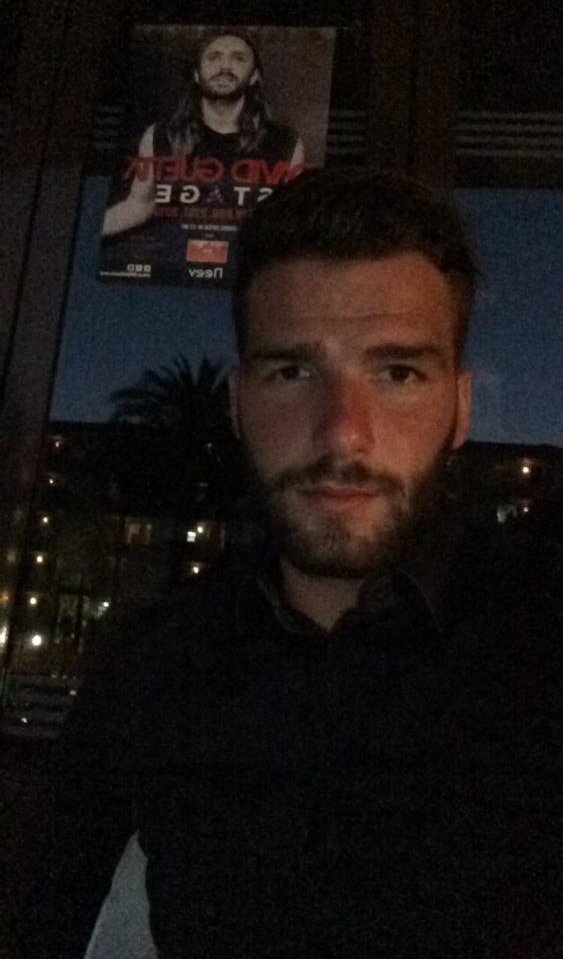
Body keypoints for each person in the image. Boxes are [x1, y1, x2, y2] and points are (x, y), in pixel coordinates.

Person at [20, 170, 563, 958]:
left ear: (460, 408)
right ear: (237, 403)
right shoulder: (153, 665)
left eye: (397, 373)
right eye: (291, 372)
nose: (343, 432)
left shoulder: (541, 640)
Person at [102, 29, 305, 236]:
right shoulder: (160, 135)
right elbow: (139, 205)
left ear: (254, 76)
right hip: (176, 251)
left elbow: (292, 219)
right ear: (196, 74)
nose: (225, 67)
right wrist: (89, 230)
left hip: (248, 254)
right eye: (213, 57)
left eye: (238, 58)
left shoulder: (285, 141)